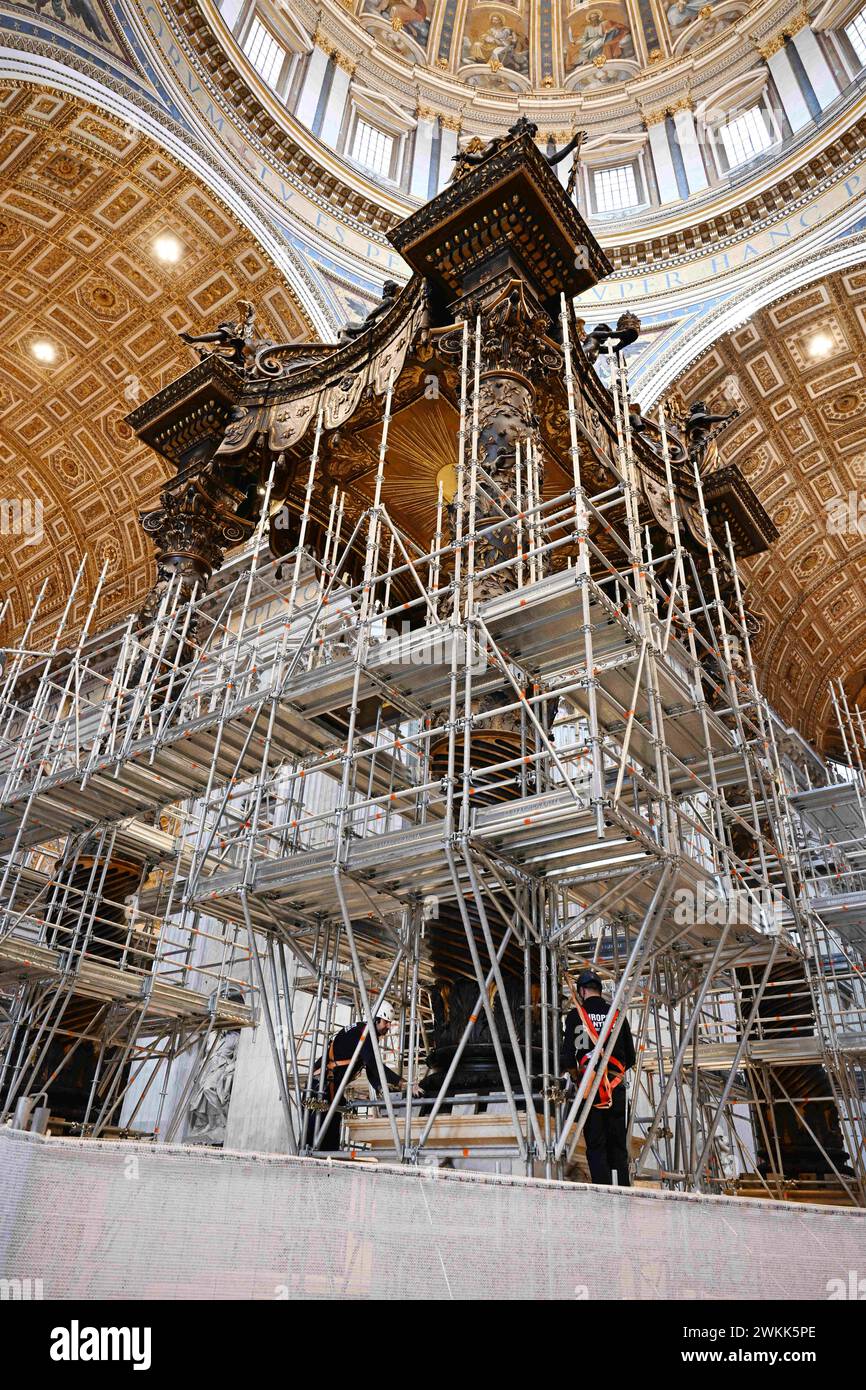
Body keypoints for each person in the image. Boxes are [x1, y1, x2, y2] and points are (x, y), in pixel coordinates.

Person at [563, 970, 636, 1185]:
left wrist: (578, 1077)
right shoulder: (616, 1014)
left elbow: (568, 1056)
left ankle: (603, 1194)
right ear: (599, 990)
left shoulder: (577, 1015)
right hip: (615, 1088)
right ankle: (622, 1191)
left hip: (590, 1088)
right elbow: (630, 1057)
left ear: (582, 991)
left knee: (596, 1143)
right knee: (617, 1144)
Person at [304, 1013, 415, 1153]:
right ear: (376, 1019)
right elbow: (374, 1064)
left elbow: (370, 1069)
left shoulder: (365, 1033)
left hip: (331, 1088)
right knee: (314, 1138)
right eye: (386, 1022)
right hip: (319, 1087)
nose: (388, 1026)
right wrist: (400, 1082)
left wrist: (380, 1088)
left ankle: (329, 1166)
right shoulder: (364, 1033)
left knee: (330, 1137)